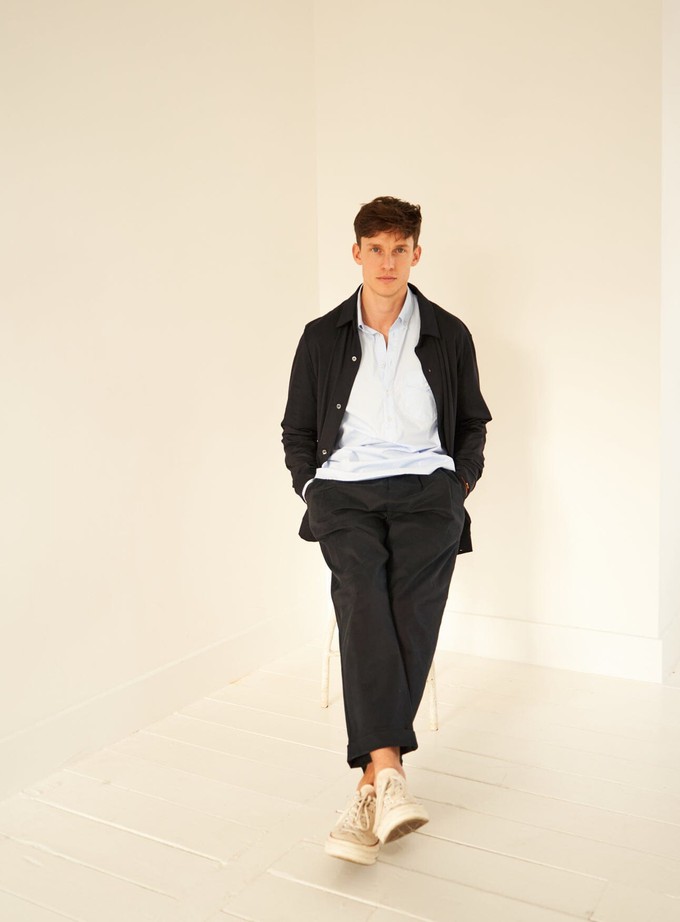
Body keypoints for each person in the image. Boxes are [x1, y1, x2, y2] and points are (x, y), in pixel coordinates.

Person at [281, 196, 491, 865]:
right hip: (344, 488)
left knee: (411, 601)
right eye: (375, 248)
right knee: (361, 588)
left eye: (400, 248)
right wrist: (310, 486)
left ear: (417, 254)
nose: (387, 261)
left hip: (428, 485)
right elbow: (296, 429)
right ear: (357, 253)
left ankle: (373, 784)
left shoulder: (449, 333)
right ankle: (389, 772)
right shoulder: (321, 336)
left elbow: (472, 421)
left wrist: (460, 482)